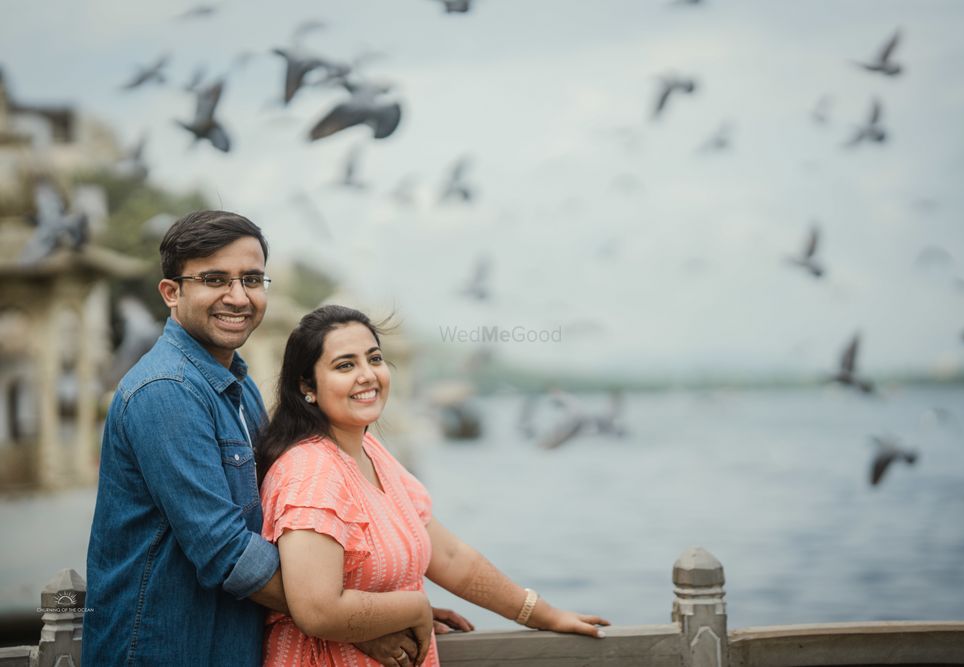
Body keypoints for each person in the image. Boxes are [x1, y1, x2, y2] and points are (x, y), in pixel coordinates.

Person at [84, 211, 444, 666]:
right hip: (165, 647)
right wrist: (362, 624)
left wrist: (371, 610)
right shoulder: (166, 391)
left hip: (226, 643)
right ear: (172, 292)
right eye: (215, 279)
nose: (238, 297)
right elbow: (226, 550)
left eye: (252, 279)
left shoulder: (238, 385)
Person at [256, 304, 610, 666]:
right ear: (306, 386)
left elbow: (452, 557)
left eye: (374, 359)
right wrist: (412, 607)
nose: (367, 375)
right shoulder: (310, 473)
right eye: (345, 365)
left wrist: (544, 615)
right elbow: (317, 609)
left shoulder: (370, 451)